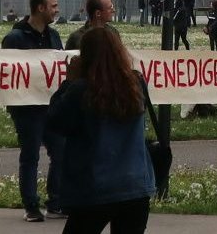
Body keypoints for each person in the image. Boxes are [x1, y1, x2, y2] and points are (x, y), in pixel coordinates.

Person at [43, 25, 155, 234]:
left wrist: (68, 82)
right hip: (135, 184)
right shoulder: (136, 83)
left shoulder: (81, 89)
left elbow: (56, 121)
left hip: (95, 186)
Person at [2, 0, 64, 222]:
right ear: (40, 8)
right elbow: (8, 71)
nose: (56, 10)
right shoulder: (15, 38)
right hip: (27, 108)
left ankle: (56, 202)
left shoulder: (53, 35)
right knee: (30, 156)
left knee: (61, 152)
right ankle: (31, 205)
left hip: (52, 107)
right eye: (53, 6)